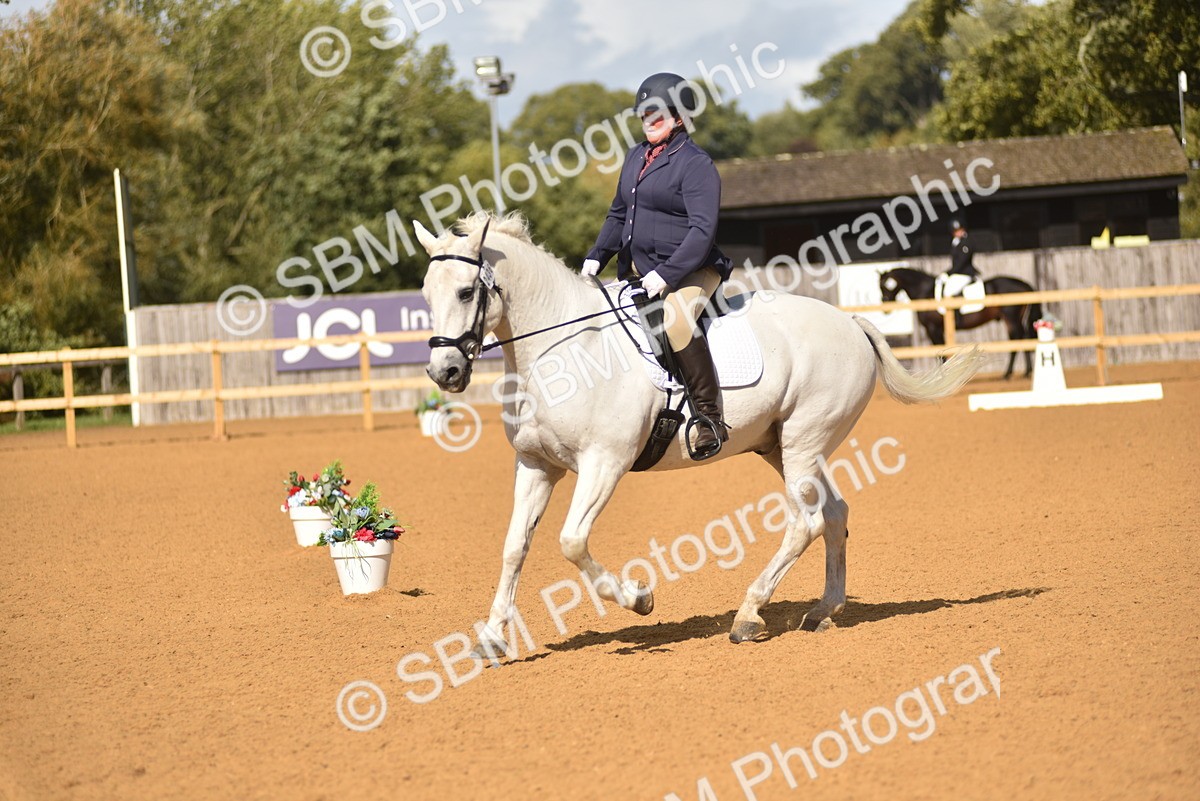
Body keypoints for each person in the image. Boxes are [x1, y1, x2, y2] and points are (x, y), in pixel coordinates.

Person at [582, 72, 734, 459]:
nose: (648, 121)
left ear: (679, 117)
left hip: (693, 268)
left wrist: (666, 274)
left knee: (676, 319)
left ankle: (709, 417)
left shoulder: (696, 164)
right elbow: (618, 214)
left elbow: (702, 231)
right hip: (640, 271)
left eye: (657, 114)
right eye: (644, 114)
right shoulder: (636, 156)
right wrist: (597, 255)